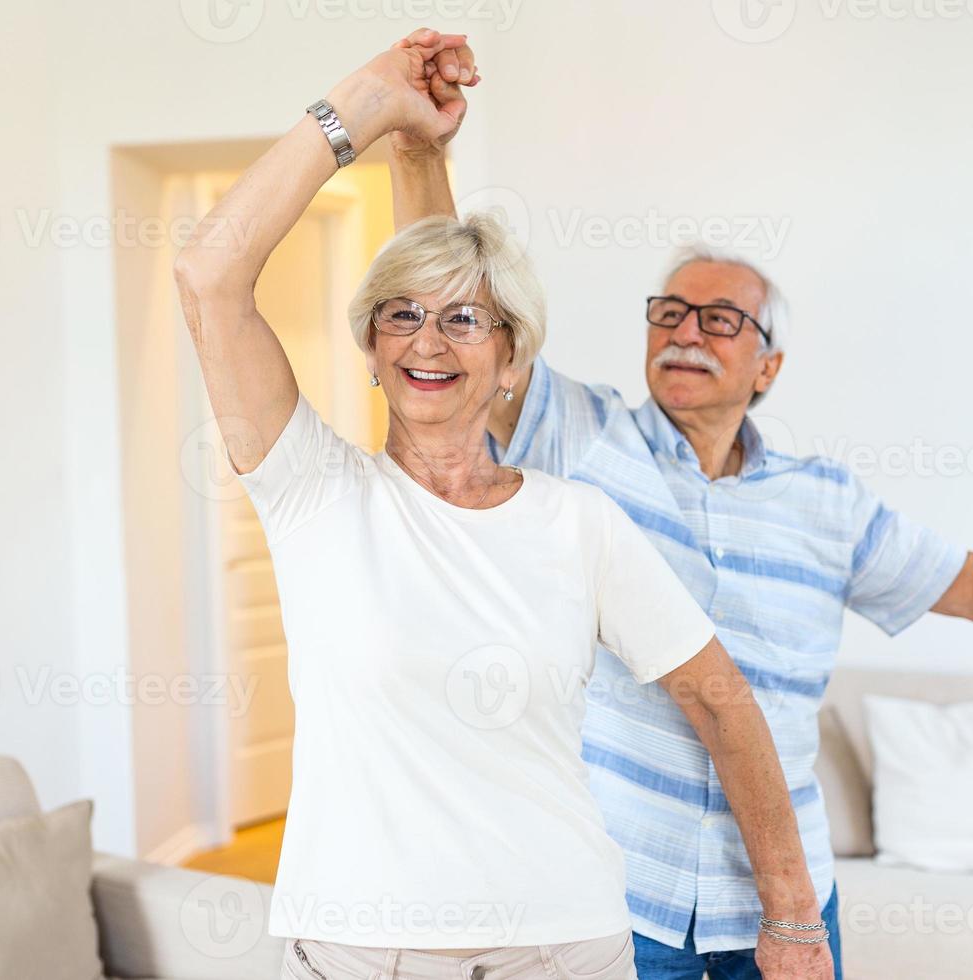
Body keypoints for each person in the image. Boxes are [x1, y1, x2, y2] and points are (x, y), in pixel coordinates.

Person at [387, 28, 973, 980]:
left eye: (721, 321)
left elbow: (971, 583)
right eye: (669, 314)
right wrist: (422, 151)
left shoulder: (827, 502)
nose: (686, 334)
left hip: (784, 904)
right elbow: (458, 306)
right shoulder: (581, 437)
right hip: (617, 889)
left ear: (768, 366)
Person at [173, 35, 835, 980]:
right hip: (363, 950)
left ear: (512, 356)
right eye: (400, 314)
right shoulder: (314, 490)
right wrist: (362, 107)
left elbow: (725, 704)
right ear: (369, 346)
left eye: (462, 318)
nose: (428, 341)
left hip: (562, 945)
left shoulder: (581, 522)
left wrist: (794, 918)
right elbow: (208, 277)